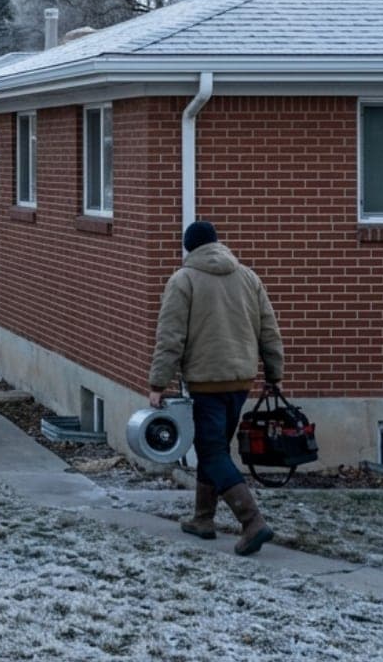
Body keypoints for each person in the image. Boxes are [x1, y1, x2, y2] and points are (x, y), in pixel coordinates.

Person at [148, 220, 284, 555]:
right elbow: (269, 329)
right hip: (240, 379)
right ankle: (202, 518)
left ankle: (252, 522)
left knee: (211, 451)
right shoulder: (248, 277)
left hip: (205, 381)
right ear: (217, 244)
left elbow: (170, 337)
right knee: (216, 448)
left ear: (189, 248)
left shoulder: (184, 280)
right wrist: (274, 373)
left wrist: (157, 384)